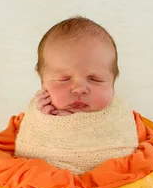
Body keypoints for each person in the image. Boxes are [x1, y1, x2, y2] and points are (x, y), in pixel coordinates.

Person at [14, 16, 140, 174]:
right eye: (64, 79)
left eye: (95, 79)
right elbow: (30, 144)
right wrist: (48, 120)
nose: (80, 89)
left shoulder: (119, 115)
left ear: (113, 82)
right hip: (46, 184)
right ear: (42, 81)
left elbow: (124, 148)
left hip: (111, 182)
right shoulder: (41, 106)